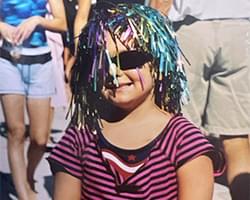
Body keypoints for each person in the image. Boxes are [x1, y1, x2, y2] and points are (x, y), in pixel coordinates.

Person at [48, 3, 224, 199]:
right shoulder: (82, 135)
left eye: (130, 59)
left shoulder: (184, 143)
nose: (114, 73)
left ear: (158, 64)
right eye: (102, 61)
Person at [150, 0, 250, 199]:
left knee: (181, 136)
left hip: (191, 27)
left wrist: (153, 26)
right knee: (236, 138)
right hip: (240, 28)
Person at [0, 0, 67, 199]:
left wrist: (37, 20)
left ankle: (28, 175)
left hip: (41, 63)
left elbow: (61, 23)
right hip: (8, 60)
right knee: (16, 130)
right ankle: (23, 193)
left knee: (40, 138)